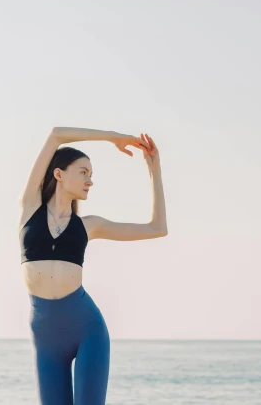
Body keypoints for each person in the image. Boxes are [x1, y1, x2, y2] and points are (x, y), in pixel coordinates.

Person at [18, 126, 168, 405]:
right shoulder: (29, 207)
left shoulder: (89, 226)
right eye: (83, 172)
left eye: (91, 175)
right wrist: (114, 137)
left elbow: (158, 228)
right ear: (59, 173)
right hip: (45, 336)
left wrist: (153, 169)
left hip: (87, 328)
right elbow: (56, 135)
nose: (90, 181)